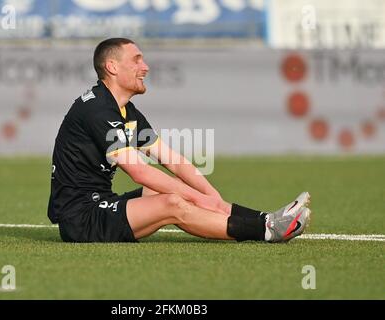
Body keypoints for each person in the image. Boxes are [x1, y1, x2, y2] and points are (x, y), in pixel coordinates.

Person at [47, 38, 311, 243]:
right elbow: (138, 171)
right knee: (172, 201)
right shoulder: (96, 109)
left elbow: (171, 160)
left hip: (102, 202)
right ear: (112, 67)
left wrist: (211, 197)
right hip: (81, 219)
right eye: (137, 60)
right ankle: (266, 231)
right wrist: (195, 196)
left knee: (172, 193)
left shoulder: (125, 110)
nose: (145, 67)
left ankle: (268, 219)